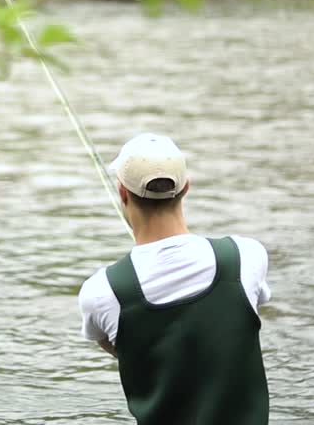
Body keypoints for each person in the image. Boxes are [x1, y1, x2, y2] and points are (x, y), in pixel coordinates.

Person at [78, 133, 271, 425]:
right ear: (186, 187)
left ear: (123, 193)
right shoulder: (246, 256)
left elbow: (121, 348)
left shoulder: (102, 292)